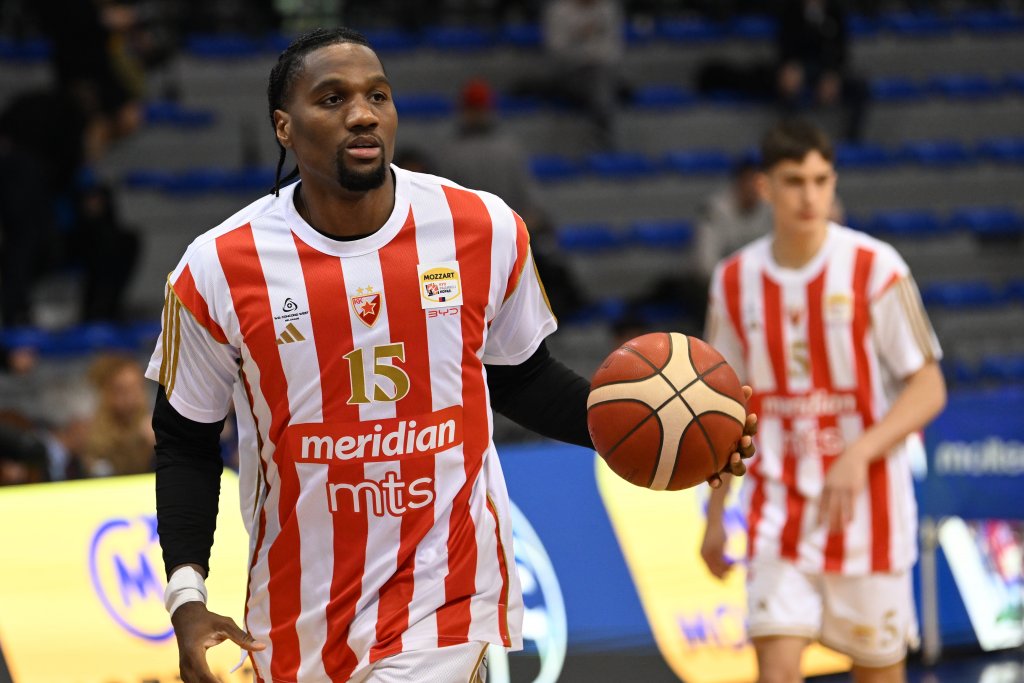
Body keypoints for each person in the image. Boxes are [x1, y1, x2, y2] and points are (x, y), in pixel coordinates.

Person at [147, 28, 756, 683]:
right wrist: (186, 594)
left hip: (445, 599)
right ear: (283, 127)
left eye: (378, 95)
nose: (362, 113)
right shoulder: (216, 268)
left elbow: (521, 378)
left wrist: (652, 427)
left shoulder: (483, 228)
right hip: (296, 615)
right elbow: (186, 439)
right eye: (332, 98)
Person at [701, 119, 947, 683]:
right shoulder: (733, 281)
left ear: (834, 182)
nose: (809, 196)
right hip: (776, 510)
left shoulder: (876, 267)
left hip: (869, 512)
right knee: (775, 672)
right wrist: (714, 517)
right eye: (794, 181)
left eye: (820, 180)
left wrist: (859, 452)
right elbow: (724, 410)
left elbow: (929, 386)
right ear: (764, 187)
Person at [775, 0, 870, 142]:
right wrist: (791, 66)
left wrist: (833, 73)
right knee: (788, 82)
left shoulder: (835, 11)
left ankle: (852, 141)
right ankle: (792, 136)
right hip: (800, 67)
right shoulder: (791, 10)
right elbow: (785, 46)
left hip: (826, 68)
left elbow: (841, 50)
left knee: (860, 88)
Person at [85, 352, 155, 476]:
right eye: (122, 390)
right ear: (104, 393)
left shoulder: (155, 429)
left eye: (137, 388)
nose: (132, 398)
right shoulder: (89, 437)